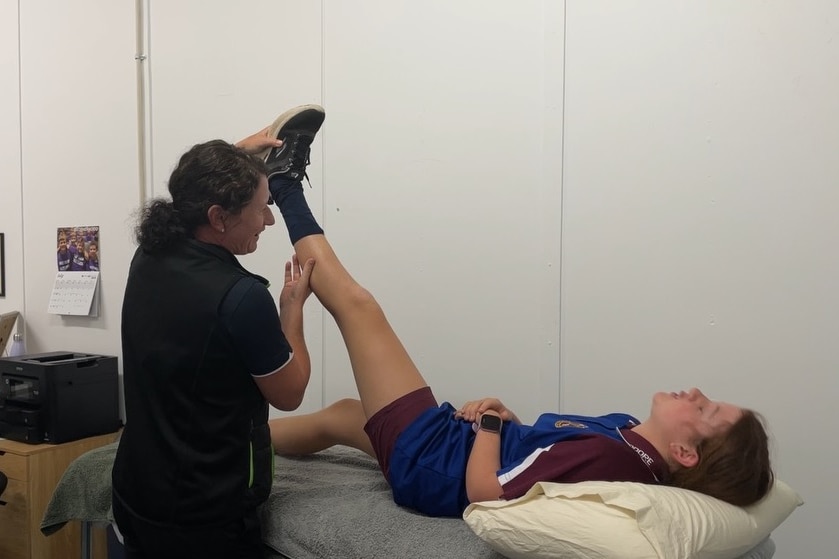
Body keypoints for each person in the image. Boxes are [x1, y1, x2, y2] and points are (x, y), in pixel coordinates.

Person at [261, 107, 775, 518]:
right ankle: (239, 443)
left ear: (686, 454)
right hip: (443, 453)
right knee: (347, 415)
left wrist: (487, 425)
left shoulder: (620, 460)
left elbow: (486, 494)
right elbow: (537, 460)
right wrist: (503, 421)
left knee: (356, 306)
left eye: (706, 412)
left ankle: (281, 182)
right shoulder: (625, 431)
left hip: (436, 464)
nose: (699, 394)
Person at [112, 105, 326, 558]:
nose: (269, 221)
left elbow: (184, 194)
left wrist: (240, 155)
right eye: (263, 208)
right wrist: (292, 311)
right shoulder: (241, 298)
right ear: (218, 217)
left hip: (138, 497)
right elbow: (290, 394)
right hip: (203, 521)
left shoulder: (150, 256)